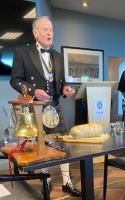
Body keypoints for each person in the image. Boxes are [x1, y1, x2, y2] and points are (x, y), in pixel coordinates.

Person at [10, 16, 81, 196]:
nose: (50, 33)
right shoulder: (22, 52)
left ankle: (66, 181)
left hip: (54, 107)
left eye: (51, 30)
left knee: (62, 144)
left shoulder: (56, 55)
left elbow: (60, 83)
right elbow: (15, 80)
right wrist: (33, 91)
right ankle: (46, 179)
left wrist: (65, 89)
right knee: (41, 146)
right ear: (35, 33)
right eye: (45, 29)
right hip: (35, 107)